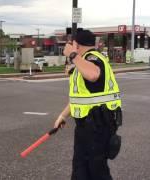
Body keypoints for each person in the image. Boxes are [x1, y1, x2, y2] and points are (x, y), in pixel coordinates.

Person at [53, 30, 122, 180]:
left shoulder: (92, 58)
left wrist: (72, 55)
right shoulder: (83, 61)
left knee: (96, 171)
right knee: (81, 170)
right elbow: (81, 98)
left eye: (72, 43)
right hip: (88, 126)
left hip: (97, 126)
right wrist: (62, 115)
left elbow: (93, 74)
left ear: (76, 44)